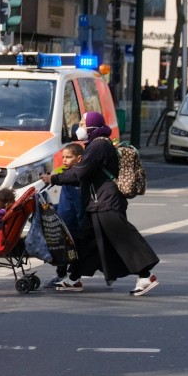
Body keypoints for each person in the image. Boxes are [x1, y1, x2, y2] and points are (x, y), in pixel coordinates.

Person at [41, 111, 160, 294]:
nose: (79, 127)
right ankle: (74, 279)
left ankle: (145, 276)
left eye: (82, 123)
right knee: (89, 243)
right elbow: (82, 176)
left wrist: (54, 179)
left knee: (123, 237)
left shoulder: (99, 146)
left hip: (106, 202)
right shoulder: (96, 145)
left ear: (92, 126)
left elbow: (80, 172)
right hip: (97, 202)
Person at [45, 142, 86, 287]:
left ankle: (66, 276)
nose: (64, 160)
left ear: (79, 158)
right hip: (64, 221)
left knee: (67, 252)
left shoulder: (75, 177)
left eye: (68, 157)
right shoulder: (68, 174)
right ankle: (65, 275)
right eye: (63, 157)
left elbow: (77, 205)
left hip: (72, 225)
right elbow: (66, 203)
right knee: (62, 251)